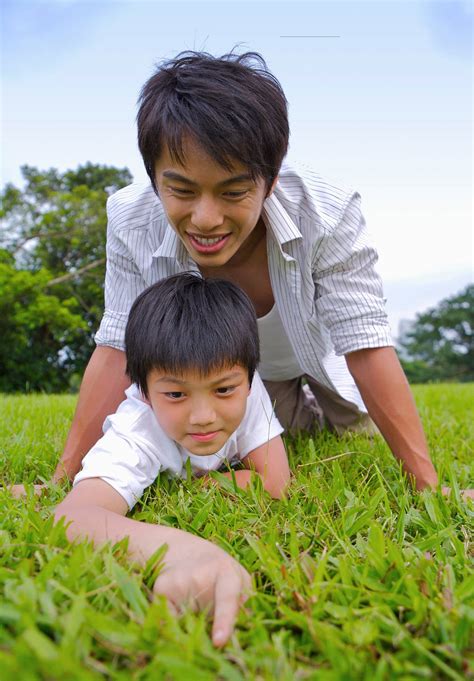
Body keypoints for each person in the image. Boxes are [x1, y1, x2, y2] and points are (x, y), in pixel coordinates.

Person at [11, 51, 470, 493]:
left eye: (233, 192)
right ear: (154, 179)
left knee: (352, 428)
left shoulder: (326, 213)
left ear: (270, 180)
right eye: (182, 191)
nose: (206, 219)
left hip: (318, 360)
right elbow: (117, 344)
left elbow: (366, 343)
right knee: (279, 428)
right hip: (242, 377)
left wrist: (427, 487)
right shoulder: (132, 218)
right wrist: (63, 476)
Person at [54, 273, 290, 645]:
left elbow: (275, 483)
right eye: (176, 394)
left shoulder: (249, 391)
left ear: (248, 379)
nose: (203, 416)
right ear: (144, 390)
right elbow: (73, 517)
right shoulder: (137, 430)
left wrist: (205, 481)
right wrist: (179, 551)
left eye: (224, 389)